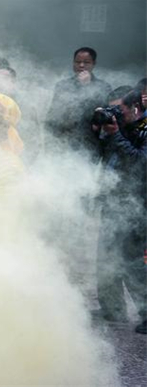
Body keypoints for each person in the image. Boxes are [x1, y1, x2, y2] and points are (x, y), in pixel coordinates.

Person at [92, 87, 147, 334]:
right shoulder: (122, 127)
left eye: (119, 109)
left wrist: (115, 135)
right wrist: (98, 132)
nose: (115, 114)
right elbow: (105, 158)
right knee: (106, 256)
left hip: (137, 204)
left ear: (135, 107)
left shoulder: (144, 129)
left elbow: (139, 163)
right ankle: (113, 309)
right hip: (114, 199)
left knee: (132, 262)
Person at [45, 47, 111, 157]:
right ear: (73, 63)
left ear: (93, 64)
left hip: (90, 143)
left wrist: (86, 87)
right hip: (64, 142)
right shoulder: (62, 85)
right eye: (78, 62)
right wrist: (51, 140)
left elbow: (103, 116)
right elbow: (53, 114)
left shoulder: (103, 87)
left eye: (86, 62)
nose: (81, 65)